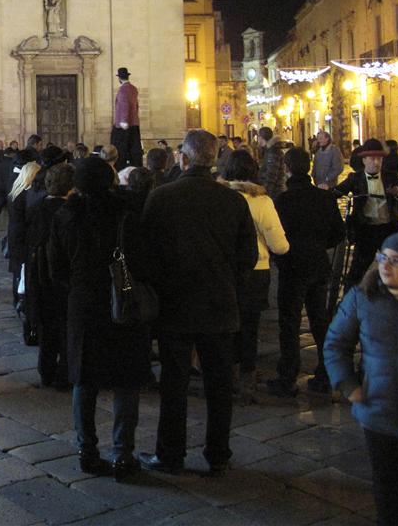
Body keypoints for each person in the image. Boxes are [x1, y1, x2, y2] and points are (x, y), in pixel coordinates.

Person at [138, 129, 258, 477]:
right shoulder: (234, 202)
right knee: (219, 386)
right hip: (220, 306)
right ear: (215, 159)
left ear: (184, 158)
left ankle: (170, 454)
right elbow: (248, 256)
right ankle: (218, 454)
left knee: (173, 384)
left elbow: (146, 254)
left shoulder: (162, 198)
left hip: (175, 306)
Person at [324, 230, 398, 526]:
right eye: (383, 258)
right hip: (378, 411)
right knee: (386, 489)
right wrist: (349, 386)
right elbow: (336, 344)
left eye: (397, 260)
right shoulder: (363, 298)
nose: (386, 265)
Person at [50, 156, 148, 481]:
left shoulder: (65, 216)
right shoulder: (127, 213)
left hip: (83, 303)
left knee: (84, 379)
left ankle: (87, 452)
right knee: (126, 380)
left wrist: (76, 287)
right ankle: (123, 455)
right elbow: (141, 258)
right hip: (122, 299)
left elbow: (56, 268)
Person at [267, 147, 345, 398]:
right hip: (318, 264)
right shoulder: (324, 198)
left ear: (287, 169)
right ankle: (325, 372)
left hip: (292, 266)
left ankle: (288, 375)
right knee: (320, 320)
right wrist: (319, 245)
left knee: (289, 323)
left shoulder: (283, 200)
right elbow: (338, 233)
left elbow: (276, 237)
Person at [220, 149, 290, 404]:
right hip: (255, 270)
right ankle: (246, 379)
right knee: (249, 327)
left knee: (225, 325)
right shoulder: (261, 202)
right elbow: (279, 245)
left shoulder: (220, 197)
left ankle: (225, 373)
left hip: (224, 271)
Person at [25, 161, 73, 390]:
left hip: (39, 278)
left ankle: (45, 372)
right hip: (62, 281)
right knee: (64, 329)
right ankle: (64, 375)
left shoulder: (36, 208)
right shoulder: (69, 212)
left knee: (46, 329)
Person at [333, 138, 398, 291]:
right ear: (364, 160)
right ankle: (348, 301)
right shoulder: (355, 178)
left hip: (388, 229)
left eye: (379, 158)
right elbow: (336, 193)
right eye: (372, 158)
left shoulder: (391, 177)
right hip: (366, 230)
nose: (376, 162)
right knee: (356, 272)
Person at [7, 162, 41, 306]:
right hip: (22, 237)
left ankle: (17, 299)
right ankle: (21, 301)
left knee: (17, 271)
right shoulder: (27, 195)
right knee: (22, 270)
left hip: (14, 235)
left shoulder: (15, 192)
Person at [110, 67, 142, 168]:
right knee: (135, 150)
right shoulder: (133, 89)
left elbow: (125, 105)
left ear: (119, 78)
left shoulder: (123, 90)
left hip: (123, 125)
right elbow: (135, 106)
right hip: (134, 124)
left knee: (120, 151)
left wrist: (124, 121)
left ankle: (120, 171)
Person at [257, 127, 286, 199]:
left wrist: (266, 194)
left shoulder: (272, 152)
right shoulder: (269, 150)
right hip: (274, 191)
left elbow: (271, 175)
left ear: (261, 137)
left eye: (258, 136)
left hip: (274, 193)